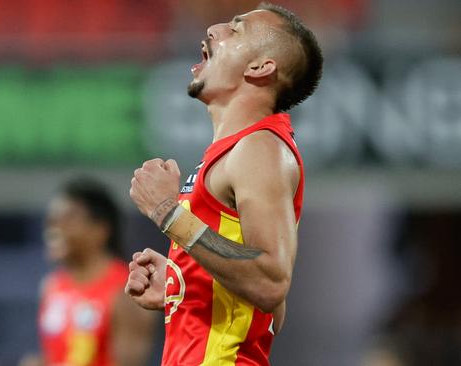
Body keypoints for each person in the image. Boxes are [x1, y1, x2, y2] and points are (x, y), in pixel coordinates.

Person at [125, 3, 323, 365]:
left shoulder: (260, 148)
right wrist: (184, 284)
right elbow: (272, 314)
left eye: (237, 29)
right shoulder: (237, 151)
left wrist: (167, 213)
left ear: (261, 67)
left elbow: (271, 282)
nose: (214, 29)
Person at [26, 178, 156, 366]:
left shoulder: (129, 291)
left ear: (100, 230)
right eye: (52, 220)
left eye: (68, 219)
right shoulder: (51, 287)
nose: (54, 228)